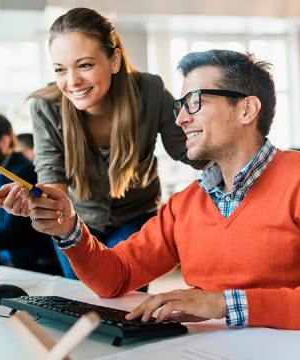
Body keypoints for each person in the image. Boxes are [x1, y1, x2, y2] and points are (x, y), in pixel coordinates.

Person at [0, 49, 300, 330]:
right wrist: (68, 229)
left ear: (247, 110)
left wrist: (223, 303)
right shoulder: (186, 205)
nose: (180, 118)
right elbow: (116, 276)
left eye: (194, 101)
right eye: (180, 104)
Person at [27, 8, 205, 279]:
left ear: (114, 60)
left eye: (85, 65)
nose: (72, 81)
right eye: (60, 69)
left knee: (124, 301)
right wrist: (42, 204)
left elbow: (191, 151)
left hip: (136, 216)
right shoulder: (46, 107)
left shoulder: (149, 92)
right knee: (84, 303)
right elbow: (52, 175)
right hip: (76, 220)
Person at [0, 112, 60, 275]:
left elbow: (9, 235)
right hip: (7, 268)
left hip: (36, 270)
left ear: (4, 142)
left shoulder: (25, 173)